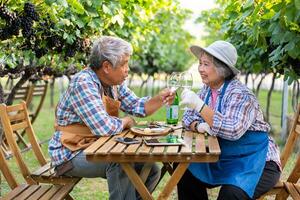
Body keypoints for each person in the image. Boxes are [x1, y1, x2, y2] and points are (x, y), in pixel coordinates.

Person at [48, 36, 175, 200]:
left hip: (96, 145)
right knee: (119, 162)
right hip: (69, 154)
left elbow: (138, 107)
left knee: (150, 168)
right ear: (106, 66)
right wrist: (126, 121)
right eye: (124, 64)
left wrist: (160, 98)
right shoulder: (84, 82)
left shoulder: (113, 83)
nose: (127, 69)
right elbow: (104, 127)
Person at [178, 40, 281, 200]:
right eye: (200, 63)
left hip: (258, 161)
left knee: (231, 193)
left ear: (222, 69)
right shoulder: (208, 89)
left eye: (206, 64)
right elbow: (187, 117)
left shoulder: (240, 94)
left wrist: (199, 106)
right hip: (227, 157)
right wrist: (199, 126)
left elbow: (232, 130)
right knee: (185, 171)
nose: (200, 69)